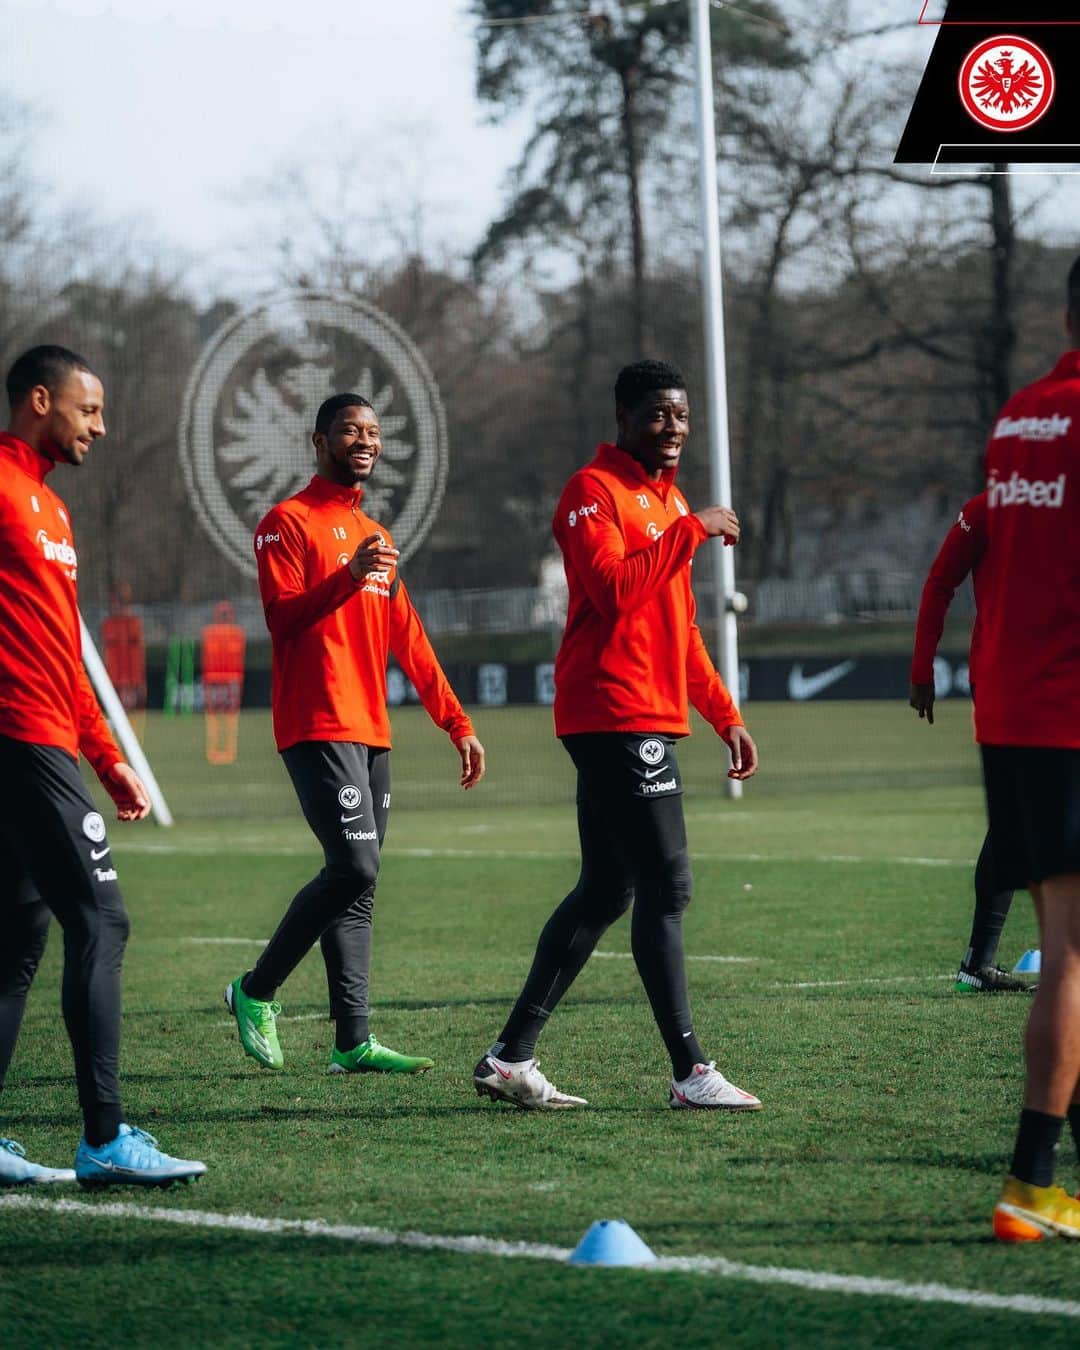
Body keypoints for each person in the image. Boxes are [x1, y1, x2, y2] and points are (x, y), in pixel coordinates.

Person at [473, 359, 760, 1111]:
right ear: (625, 418)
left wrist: (723, 713)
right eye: (660, 415)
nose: (674, 429)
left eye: (683, 416)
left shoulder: (670, 502)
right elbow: (616, 591)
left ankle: (509, 1059)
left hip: (649, 710)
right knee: (668, 885)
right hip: (611, 709)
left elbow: (682, 629)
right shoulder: (591, 493)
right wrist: (691, 532)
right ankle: (692, 1072)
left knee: (606, 889)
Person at [225, 392, 485, 1075]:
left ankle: (352, 1041)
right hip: (317, 724)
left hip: (371, 731)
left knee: (359, 887)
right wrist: (345, 576)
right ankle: (255, 992)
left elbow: (412, 641)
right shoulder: (286, 523)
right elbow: (282, 620)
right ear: (320, 440)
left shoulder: (379, 537)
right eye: (351, 430)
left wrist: (455, 722)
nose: (365, 440)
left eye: (373, 431)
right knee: (354, 867)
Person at [0, 345, 205, 1187]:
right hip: (18, 737)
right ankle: (104, 1137)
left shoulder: (49, 508)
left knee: (19, 936)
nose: (102, 426)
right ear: (40, 400)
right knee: (102, 920)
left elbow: (60, 649)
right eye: (89, 410)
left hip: (50, 732)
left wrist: (109, 755)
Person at [978, 258, 1080, 1241]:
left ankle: (1050, 1178)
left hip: (1014, 711)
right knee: (1071, 960)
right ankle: (1028, 1182)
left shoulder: (1020, 413)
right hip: (1069, 713)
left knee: (1070, 954)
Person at [909, 493, 1028, 993]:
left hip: (1062, 679)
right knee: (1016, 816)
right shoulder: (987, 509)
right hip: (1005, 680)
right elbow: (940, 582)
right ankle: (977, 964)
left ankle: (978, 965)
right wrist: (922, 669)